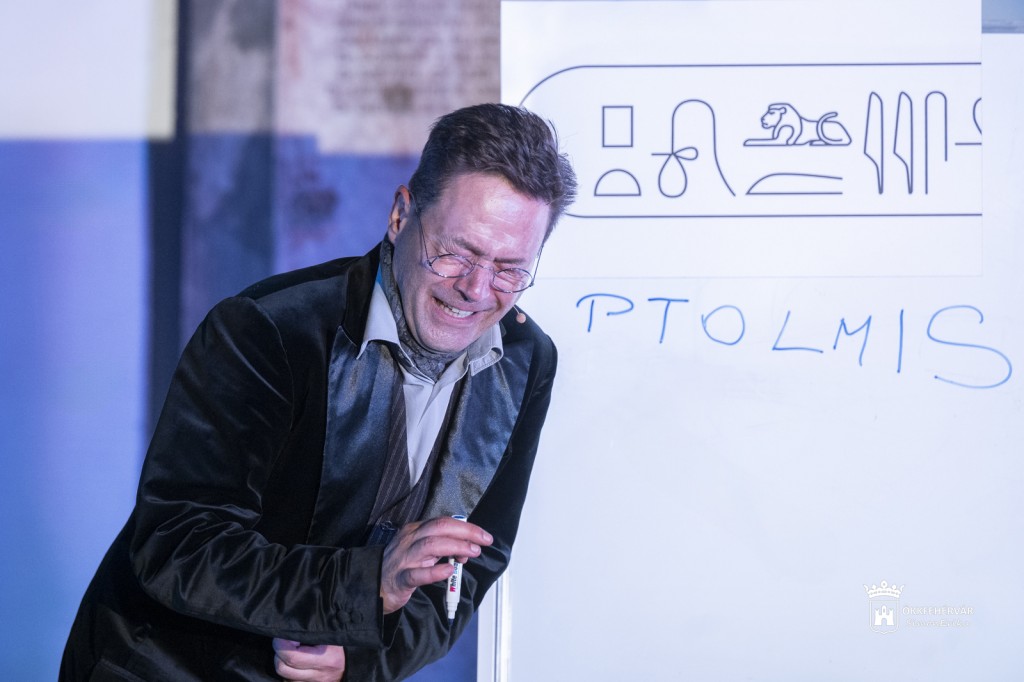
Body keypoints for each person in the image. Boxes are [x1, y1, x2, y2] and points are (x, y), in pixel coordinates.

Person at [60, 103, 577, 681]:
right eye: (457, 253)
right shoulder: (267, 329)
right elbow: (177, 544)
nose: (476, 290)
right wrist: (364, 587)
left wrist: (357, 659)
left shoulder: (528, 361)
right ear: (401, 215)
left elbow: (471, 564)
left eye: (509, 269)